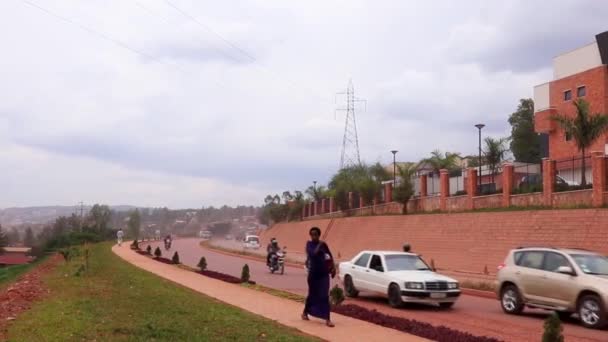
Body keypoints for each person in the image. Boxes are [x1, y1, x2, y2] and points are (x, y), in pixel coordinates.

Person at [302, 227, 335, 327]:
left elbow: (330, 255)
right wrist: (319, 245)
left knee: (325, 295)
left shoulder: (324, 245)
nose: (314, 236)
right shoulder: (309, 244)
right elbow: (313, 255)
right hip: (313, 275)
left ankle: (328, 319)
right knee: (312, 295)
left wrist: (333, 268)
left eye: (315, 234)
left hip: (324, 274)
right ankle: (305, 312)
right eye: (312, 234)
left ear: (319, 235)